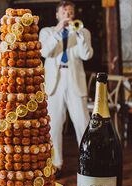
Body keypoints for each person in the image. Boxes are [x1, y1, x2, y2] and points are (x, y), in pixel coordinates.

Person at [39, 0, 93, 176]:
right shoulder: (47, 32)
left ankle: (88, 162)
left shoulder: (82, 31)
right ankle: (56, 164)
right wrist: (58, 32)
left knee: (83, 124)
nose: (67, 16)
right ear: (57, 15)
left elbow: (86, 54)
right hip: (55, 82)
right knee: (53, 125)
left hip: (74, 80)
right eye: (64, 13)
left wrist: (78, 35)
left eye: (70, 13)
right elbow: (45, 52)